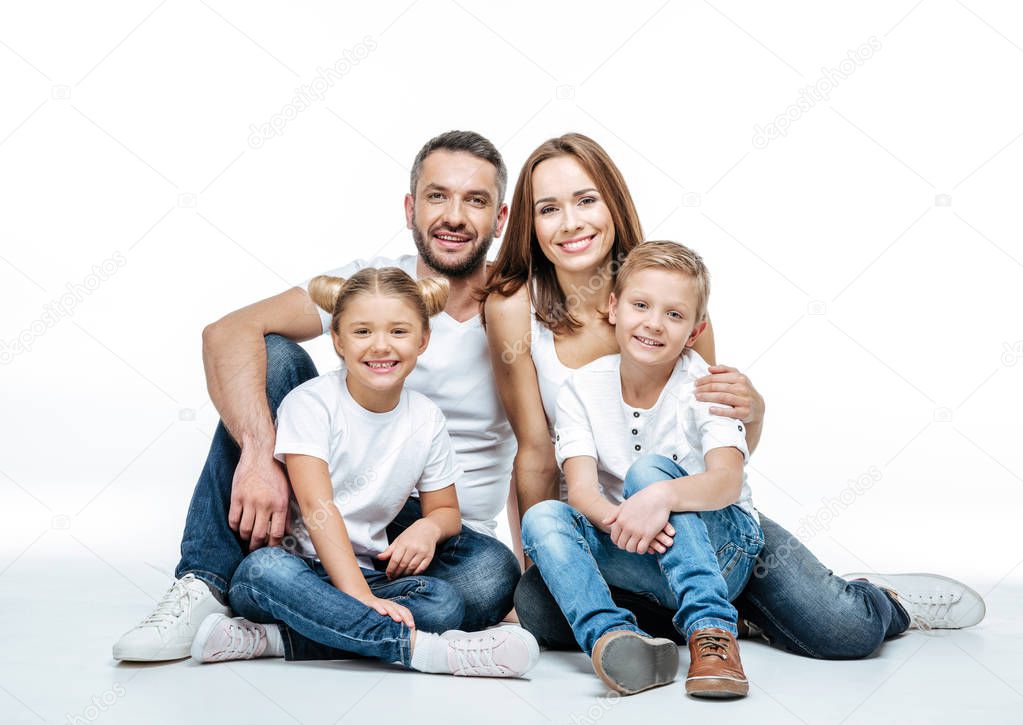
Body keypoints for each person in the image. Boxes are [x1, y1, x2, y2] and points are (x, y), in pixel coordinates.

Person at [481, 132, 986, 665]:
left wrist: (756, 412)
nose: (571, 223)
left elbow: (716, 436)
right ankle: (719, 613)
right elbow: (535, 452)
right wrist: (541, 562)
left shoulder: (668, 289)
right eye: (549, 208)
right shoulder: (516, 306)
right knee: (537, 605)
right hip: (616, 540)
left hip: (703, 517)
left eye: (586, 200)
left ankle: (879, 599)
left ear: (613, 202)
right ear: (528, 224)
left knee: (846, 633)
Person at [112, 130, 522, 662]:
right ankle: (205, 582)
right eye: (437, 195)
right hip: (326, 503)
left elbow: (544, 444)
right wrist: (260, 453)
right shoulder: (370, 287)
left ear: (501, 217)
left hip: (437, 538)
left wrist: (534, 579)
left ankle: (281, 632)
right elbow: (226, 333)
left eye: (476, 200)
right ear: (410, 207)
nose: (454, 215)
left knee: (493, 577)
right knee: (275, 354)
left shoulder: (521, 307)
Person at [188, 267, 538, 677]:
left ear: (423, 339)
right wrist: (356, 595)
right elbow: (320, 509)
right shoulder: (310, 405)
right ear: (337, 339)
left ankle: (276, 639)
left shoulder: (425, 418)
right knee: (262, 571)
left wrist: (427, 530)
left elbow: (446, 511)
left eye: (399, 332)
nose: (381, 346)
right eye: (362, 332)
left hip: (372, 575)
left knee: (444, 602)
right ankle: (426, 652)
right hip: (297, 571)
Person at [523, 241, 763, 697]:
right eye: (640, 305)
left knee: (649, 472)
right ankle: (616, 640)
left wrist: (656, 499)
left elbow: (727, 480)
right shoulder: (581, 390)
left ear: (694, 332)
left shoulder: (705, 385)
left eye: (674, 315)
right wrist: (629, 523)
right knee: (542, 518)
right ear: (613, 307)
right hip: (639, 548)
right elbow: (582, 494)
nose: (653, 323)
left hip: (723, 549)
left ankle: (712, 633)